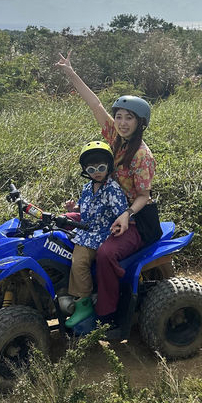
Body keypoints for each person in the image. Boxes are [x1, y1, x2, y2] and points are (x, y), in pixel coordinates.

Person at [55, 51, 158, 328]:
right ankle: (72, 292)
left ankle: (107, 312)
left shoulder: (142, 156)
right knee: (58, 228)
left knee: (105, 253)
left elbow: (143, 196)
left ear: (140, 123)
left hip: (133, 220)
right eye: (120, 117)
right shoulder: (115, 138)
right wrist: (70, 73)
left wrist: (125, 215)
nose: (122, 122)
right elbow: (96, 105)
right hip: (103, 210)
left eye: (129, 118)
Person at [64, 141, 128, 329]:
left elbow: (121, 212)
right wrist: (73, 208)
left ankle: (84, 302)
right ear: (85, 170)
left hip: (100, 235)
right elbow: (84, 207)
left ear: (108, 166)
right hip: (85, 230)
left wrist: (120, 225)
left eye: (101, 167)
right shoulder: (86, 188)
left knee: (80, 261)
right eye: (92, 169)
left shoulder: (112, 189)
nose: (97, 172)